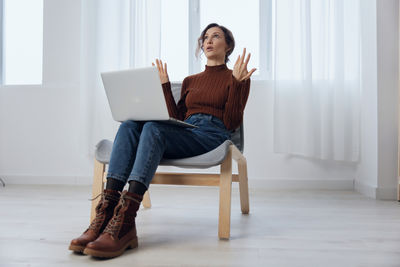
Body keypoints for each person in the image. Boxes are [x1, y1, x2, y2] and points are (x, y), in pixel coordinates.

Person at [69, 22, 256, 258]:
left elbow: (230, 123)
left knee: (153, 128)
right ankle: (106, 212)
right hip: (187, 131)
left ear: (228, 46)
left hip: (212, 134)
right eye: (205, 37)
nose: (208, 41)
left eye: (216, 36)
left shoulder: (236, 77)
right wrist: (165, 87)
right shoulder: (191, 80)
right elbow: (175, 119)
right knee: (129, 124)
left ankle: (127, 218)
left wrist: (238, 85)